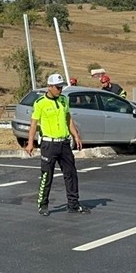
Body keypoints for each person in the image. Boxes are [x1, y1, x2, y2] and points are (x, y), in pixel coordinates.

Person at [25, 73, 90, 216]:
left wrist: (76, 135)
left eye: (61, 87)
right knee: (47, 175)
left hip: (64, 143)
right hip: (49, 144)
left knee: (71, 174)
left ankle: (73, 204)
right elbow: (34, 124)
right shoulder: (40, 103)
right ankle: (43, 204)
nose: (60, 90)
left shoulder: (64, 100)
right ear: (49, 86)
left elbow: (68, 119)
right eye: (57, 87)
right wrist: (30, 142)